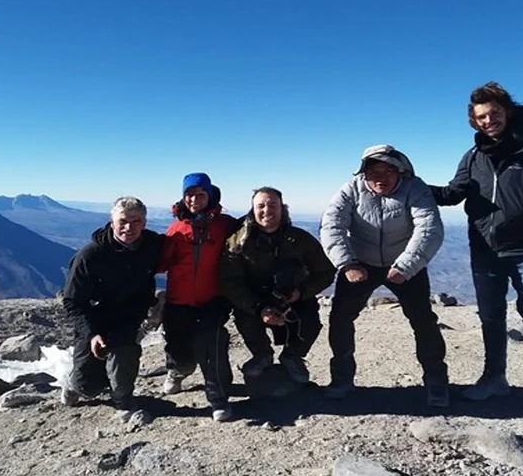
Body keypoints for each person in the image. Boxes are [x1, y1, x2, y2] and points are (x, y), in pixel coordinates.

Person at [430, 81, 523, 432]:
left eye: (494, 113)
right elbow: (452, 194)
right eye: (481, 116)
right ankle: (494, 379)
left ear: (507, 112)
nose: (488, 121)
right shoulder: (474, 156)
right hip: (484, 251)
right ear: (474, 120)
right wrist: (410, 184)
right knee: (491, 318)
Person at [320, 145, 449, 406]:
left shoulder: (415, 189)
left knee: (423, 320)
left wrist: (406, 267)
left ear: (400, 171)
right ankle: (342, 378)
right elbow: (332, 226)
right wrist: (347, 264)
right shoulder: (351, 189)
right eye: (374, 171)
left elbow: (428, 229)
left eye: (388, 171)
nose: (381, 177)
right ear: (363, 173)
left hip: (404, 263)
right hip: (360, 263)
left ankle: (436, 382)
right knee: (340, 317)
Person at [60, 196, 163, 422]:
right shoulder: (90, 256)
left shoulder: (152, 246)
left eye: (136, 221)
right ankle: (73, 384)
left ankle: (123, 399)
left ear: (145, 223)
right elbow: (73, 302)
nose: (129, 227)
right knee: (88, 386)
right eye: (123, 221)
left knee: (123, 352)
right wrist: (91, 334)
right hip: (95, 319)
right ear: (112, 221)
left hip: (128, 316)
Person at [219, 187, 336, 386]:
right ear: (253, 209)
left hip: (293, 298)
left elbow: (325, 272)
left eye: (273, 205)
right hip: (254, 299)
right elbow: (230, 281)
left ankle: (292, 356)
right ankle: (262, 355)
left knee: (310, 321)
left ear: (282, 208)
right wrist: (259, 308)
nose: (267, 210)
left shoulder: (300, 239)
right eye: (261, 206)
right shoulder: (238, 241)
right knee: (245, 318)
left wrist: (301, 292)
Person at [159, 172, 240, 422]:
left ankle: (218, 398)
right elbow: (161, 263)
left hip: (212, 299)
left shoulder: (225, 225)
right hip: (178, 301)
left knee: (211, 343)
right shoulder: (176, 229)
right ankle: (178, 370)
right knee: (179, 350)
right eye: (190, 194)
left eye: (200, 194)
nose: (195, 199)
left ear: (210, 195)